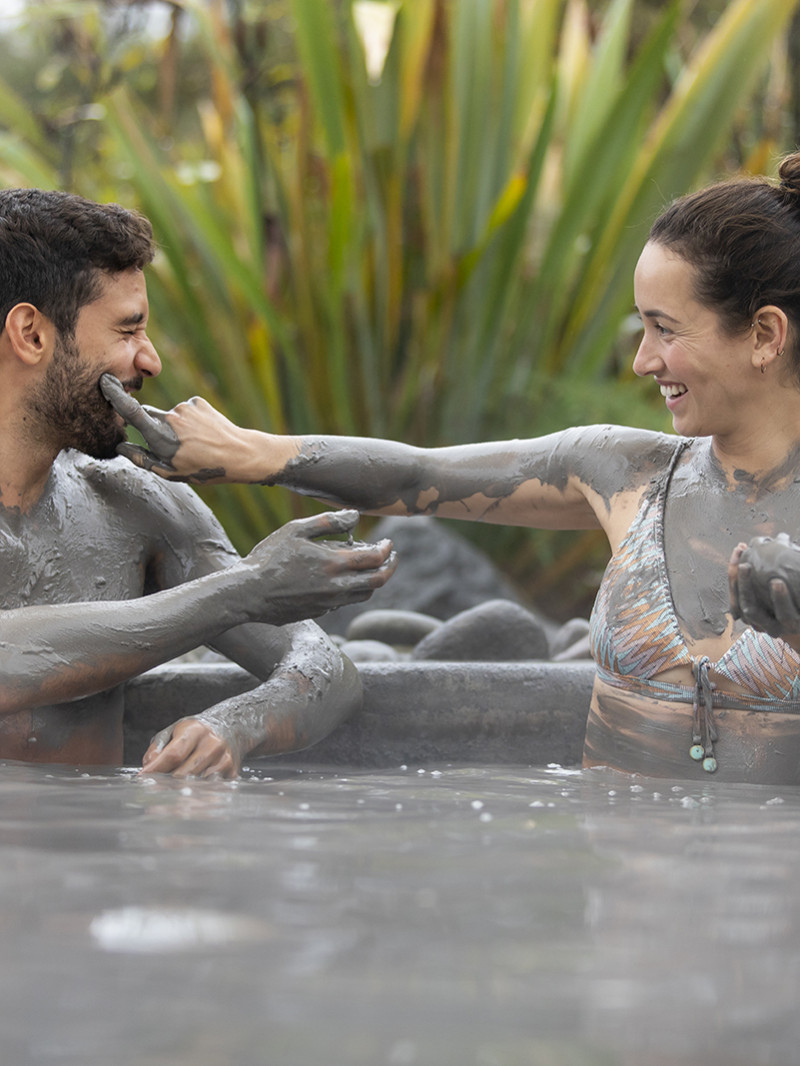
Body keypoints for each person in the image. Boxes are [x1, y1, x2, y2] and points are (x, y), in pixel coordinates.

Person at [103, 152, 800, 785]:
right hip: (623, 898)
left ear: (765, 335)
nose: (643, 360)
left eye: (665, 329)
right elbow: (416, 476)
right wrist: (252, 453)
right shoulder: (629, 473)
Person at [0, 187, 397, 779]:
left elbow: (326, 669)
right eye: (128, 330)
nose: (151, 361)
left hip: (93, 862)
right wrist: (243, 591)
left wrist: (237, 725)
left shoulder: (133, 502)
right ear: (32, 334)